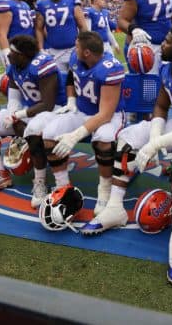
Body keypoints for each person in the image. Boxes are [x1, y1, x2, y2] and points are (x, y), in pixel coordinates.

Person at [82, 26, 172, 285]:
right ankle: (115, 207)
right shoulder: (167, 68)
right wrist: (153, 136)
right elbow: (161, 105)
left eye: (169, 41)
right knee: (128, 137)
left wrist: (157, 144)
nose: (163, 45)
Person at [41, 31, 125, 214]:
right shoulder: (75, 57)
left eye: (77, 46)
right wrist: (71, 100)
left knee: (103, 139)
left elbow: (105, 115)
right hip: (81, 111)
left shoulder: (110, 67)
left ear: (87, 52)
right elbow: (71, 77)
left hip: (110, 115)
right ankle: (63, 186)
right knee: (49, 135)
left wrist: (75, 135)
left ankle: (104, 188)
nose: (74, 48)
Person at [0, 35, 65, 206]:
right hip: (29, 110)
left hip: (55, 111)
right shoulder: (14, 67)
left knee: (32, 129)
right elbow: (14, 97)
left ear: (23, 55)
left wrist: (20, 115)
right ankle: (0, 174)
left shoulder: (42, 65)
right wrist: (11, 113)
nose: (8, 55)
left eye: (12, 52)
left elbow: (48, 104)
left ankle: (40, 181)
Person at [34, 0, 88, 72]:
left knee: (77, 80)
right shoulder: (41, 4)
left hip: (73, 49)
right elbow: (39, 28)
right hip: (54, 51)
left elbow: (82, 26)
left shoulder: (72, 1)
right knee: (60, 82)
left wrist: (84, 45)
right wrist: (41, 48)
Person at [0, 0, 33, 64]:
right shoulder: (5, 4)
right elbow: (1, 34)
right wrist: (7, 54)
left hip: (29, 48)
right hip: (15, 49)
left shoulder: (25, 5)